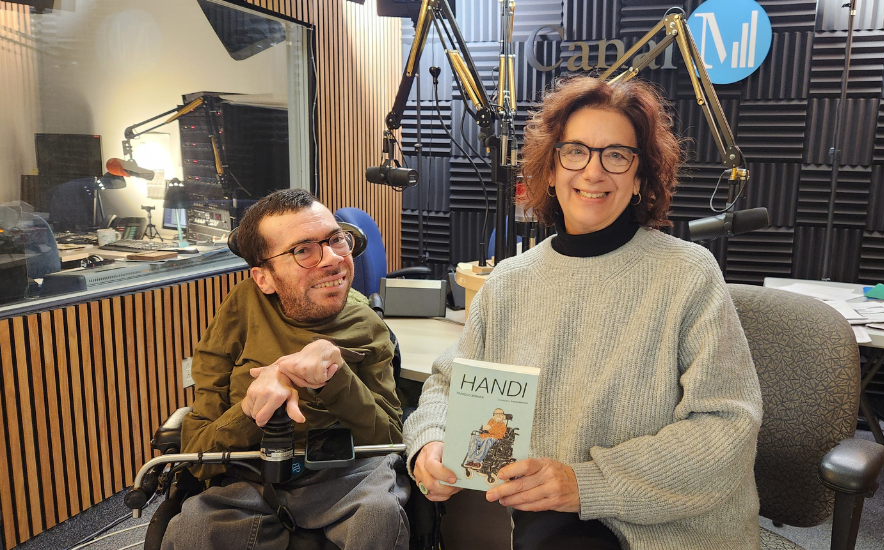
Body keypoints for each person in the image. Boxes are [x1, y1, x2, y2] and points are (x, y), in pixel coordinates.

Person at [403, 76, 763, 550]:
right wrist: (430, 443)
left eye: (616, 155)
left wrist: (588, 482)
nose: (593, 172)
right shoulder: (510, 281)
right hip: (556, 523)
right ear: (550, 170)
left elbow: (727, 426)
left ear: (639, 177)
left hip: (671, 529)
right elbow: (449, 385)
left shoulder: (688, 274)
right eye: (575, 151)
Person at [162, 189, 409, 550]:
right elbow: (199, 456)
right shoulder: (239, 314)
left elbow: (388, 437)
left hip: (348, 474)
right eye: (302, 250)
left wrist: (334, 373)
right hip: (249, 477)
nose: (332, 259)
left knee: (378, 516)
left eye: (336, 240)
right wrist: (251, 409)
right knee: (192, 532)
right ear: (264, 278)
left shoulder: (367, 324)